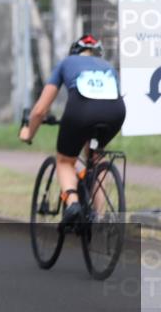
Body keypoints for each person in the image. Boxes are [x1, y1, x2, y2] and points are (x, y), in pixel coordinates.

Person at [18, 34, 126, 226]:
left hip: (81, 110)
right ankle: (99, 217)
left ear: (74, 51)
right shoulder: (108, 66)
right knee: (97, 157)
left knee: (65, 161)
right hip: (116, 111)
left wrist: (28, 132)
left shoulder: (67, 63)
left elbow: (40, 110)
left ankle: (73, 204)